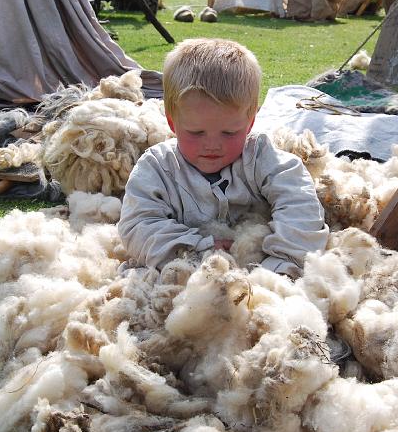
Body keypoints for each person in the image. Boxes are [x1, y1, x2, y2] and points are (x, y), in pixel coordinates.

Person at [118, 39, 328, 278]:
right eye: (196, 132)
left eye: (229, 133)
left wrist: (277, 268)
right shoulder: (157, 168)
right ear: (171, 122)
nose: (212, 145)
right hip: (193, 275)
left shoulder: (261, 157)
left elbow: (301, 205)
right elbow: (137, 226)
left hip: (265, 270)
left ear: (250, 122)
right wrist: (197, 249)